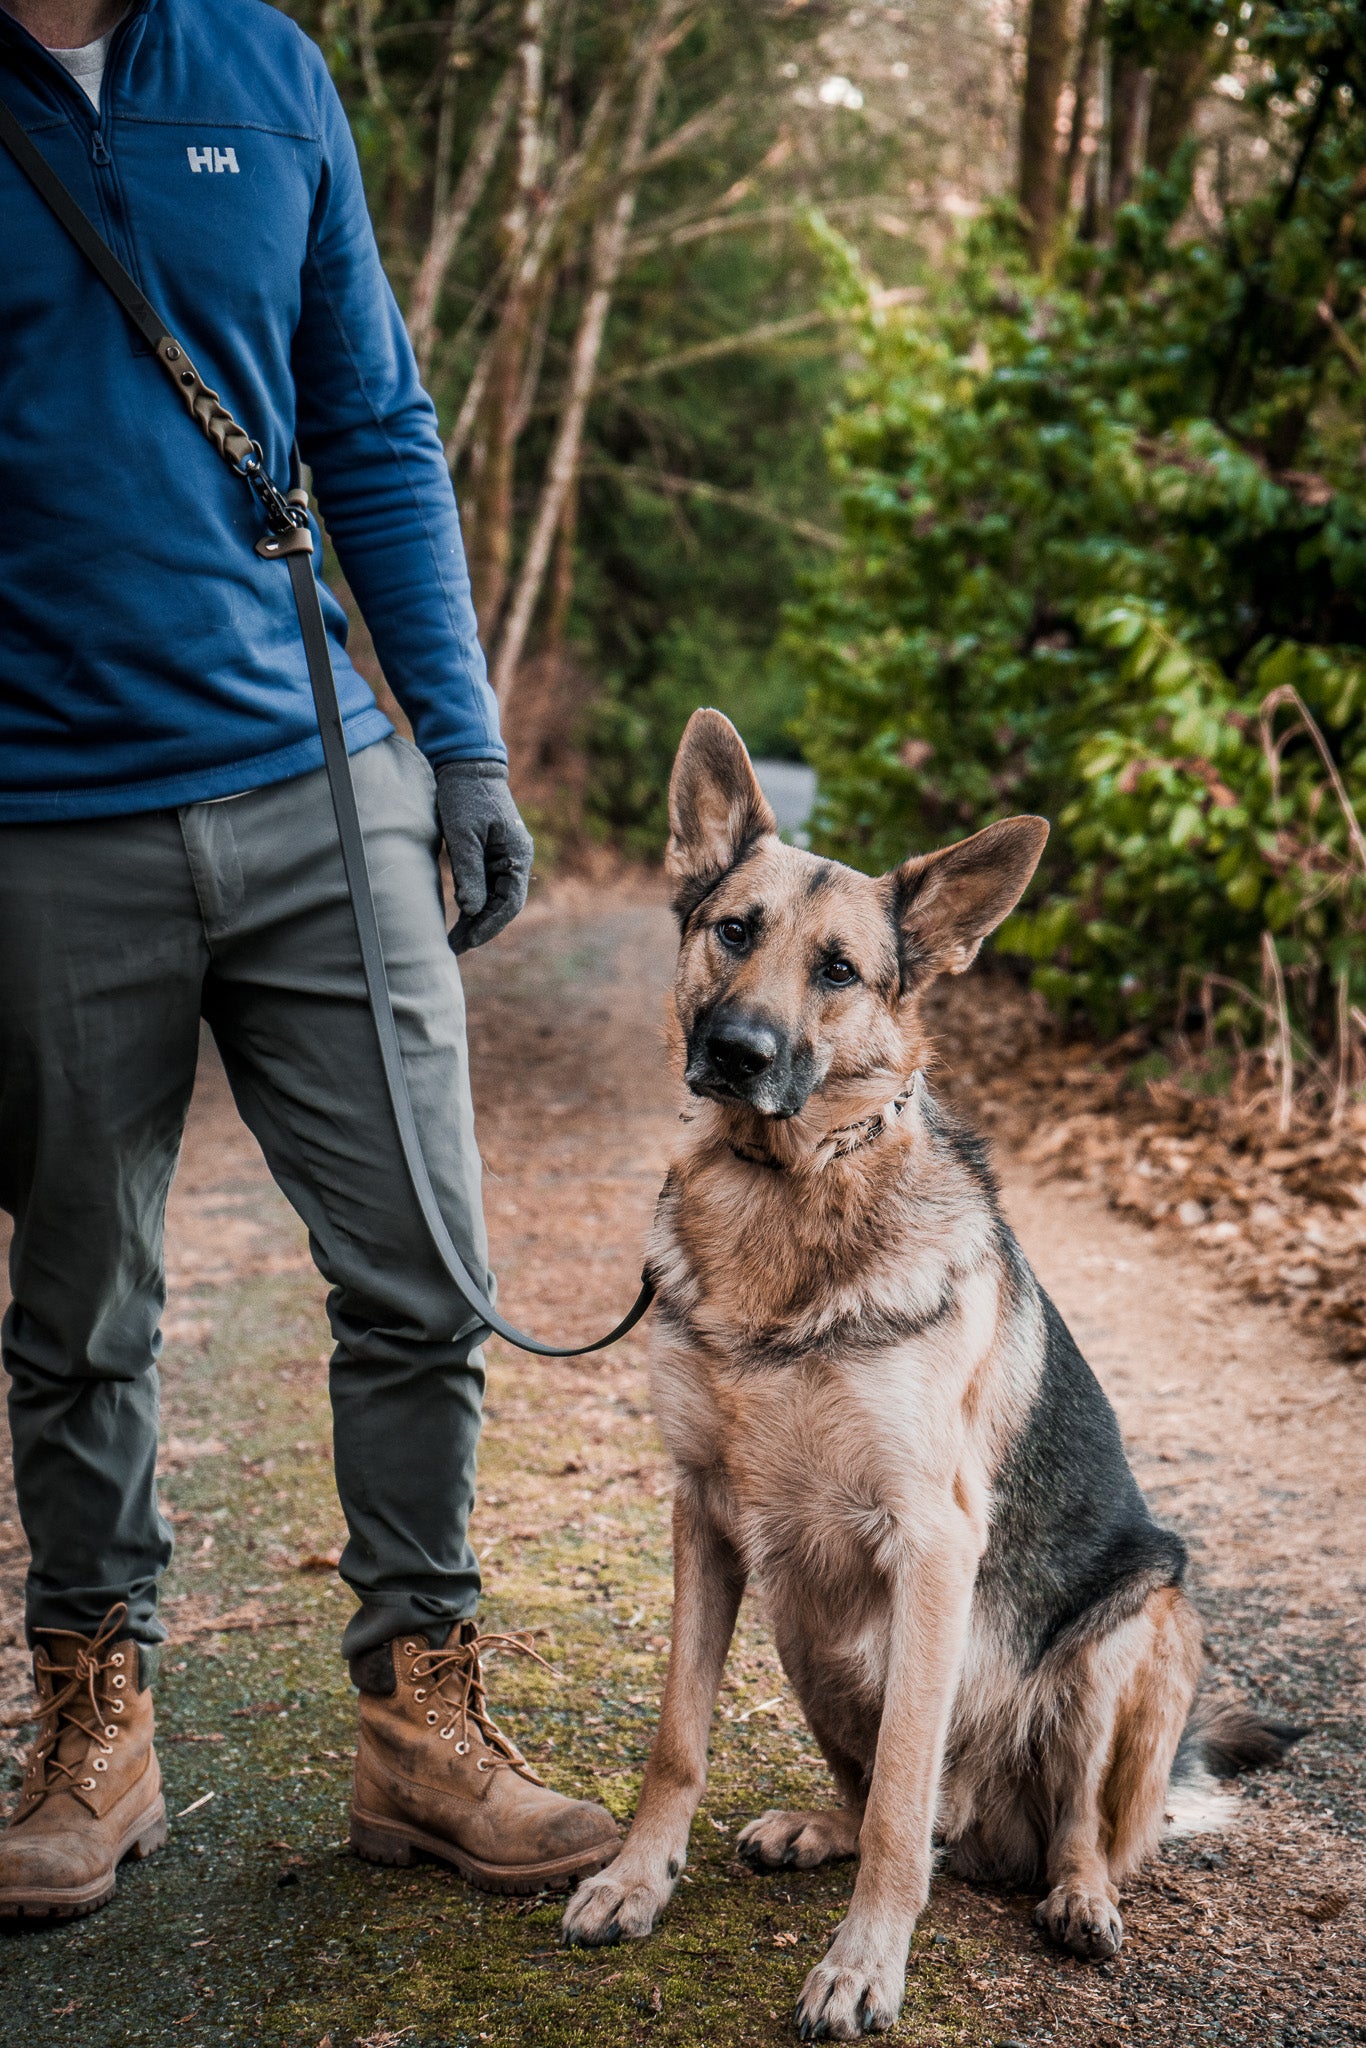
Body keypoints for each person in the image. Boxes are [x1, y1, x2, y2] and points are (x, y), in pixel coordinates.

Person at [0, 0, 620, 1916]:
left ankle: (420, 1725)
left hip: (316, 777)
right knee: (82, 1303)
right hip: (40, 815)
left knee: (425, 1263)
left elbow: (367, 417)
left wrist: (456, 740)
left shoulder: (265, 66)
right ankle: (94, 1726)